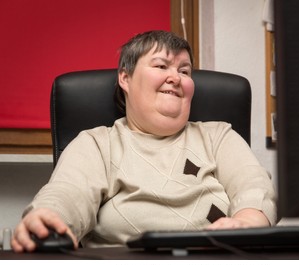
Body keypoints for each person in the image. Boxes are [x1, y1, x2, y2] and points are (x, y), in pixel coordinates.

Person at [11, 30, 277, 252]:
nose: (176, 77)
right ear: (125, 78)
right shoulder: (97, 143)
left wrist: (249, 220)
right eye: (161, 66)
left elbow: (252, 183)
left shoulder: (218, 136)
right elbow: (67, 194)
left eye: (185, 71)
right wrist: (48, 217)